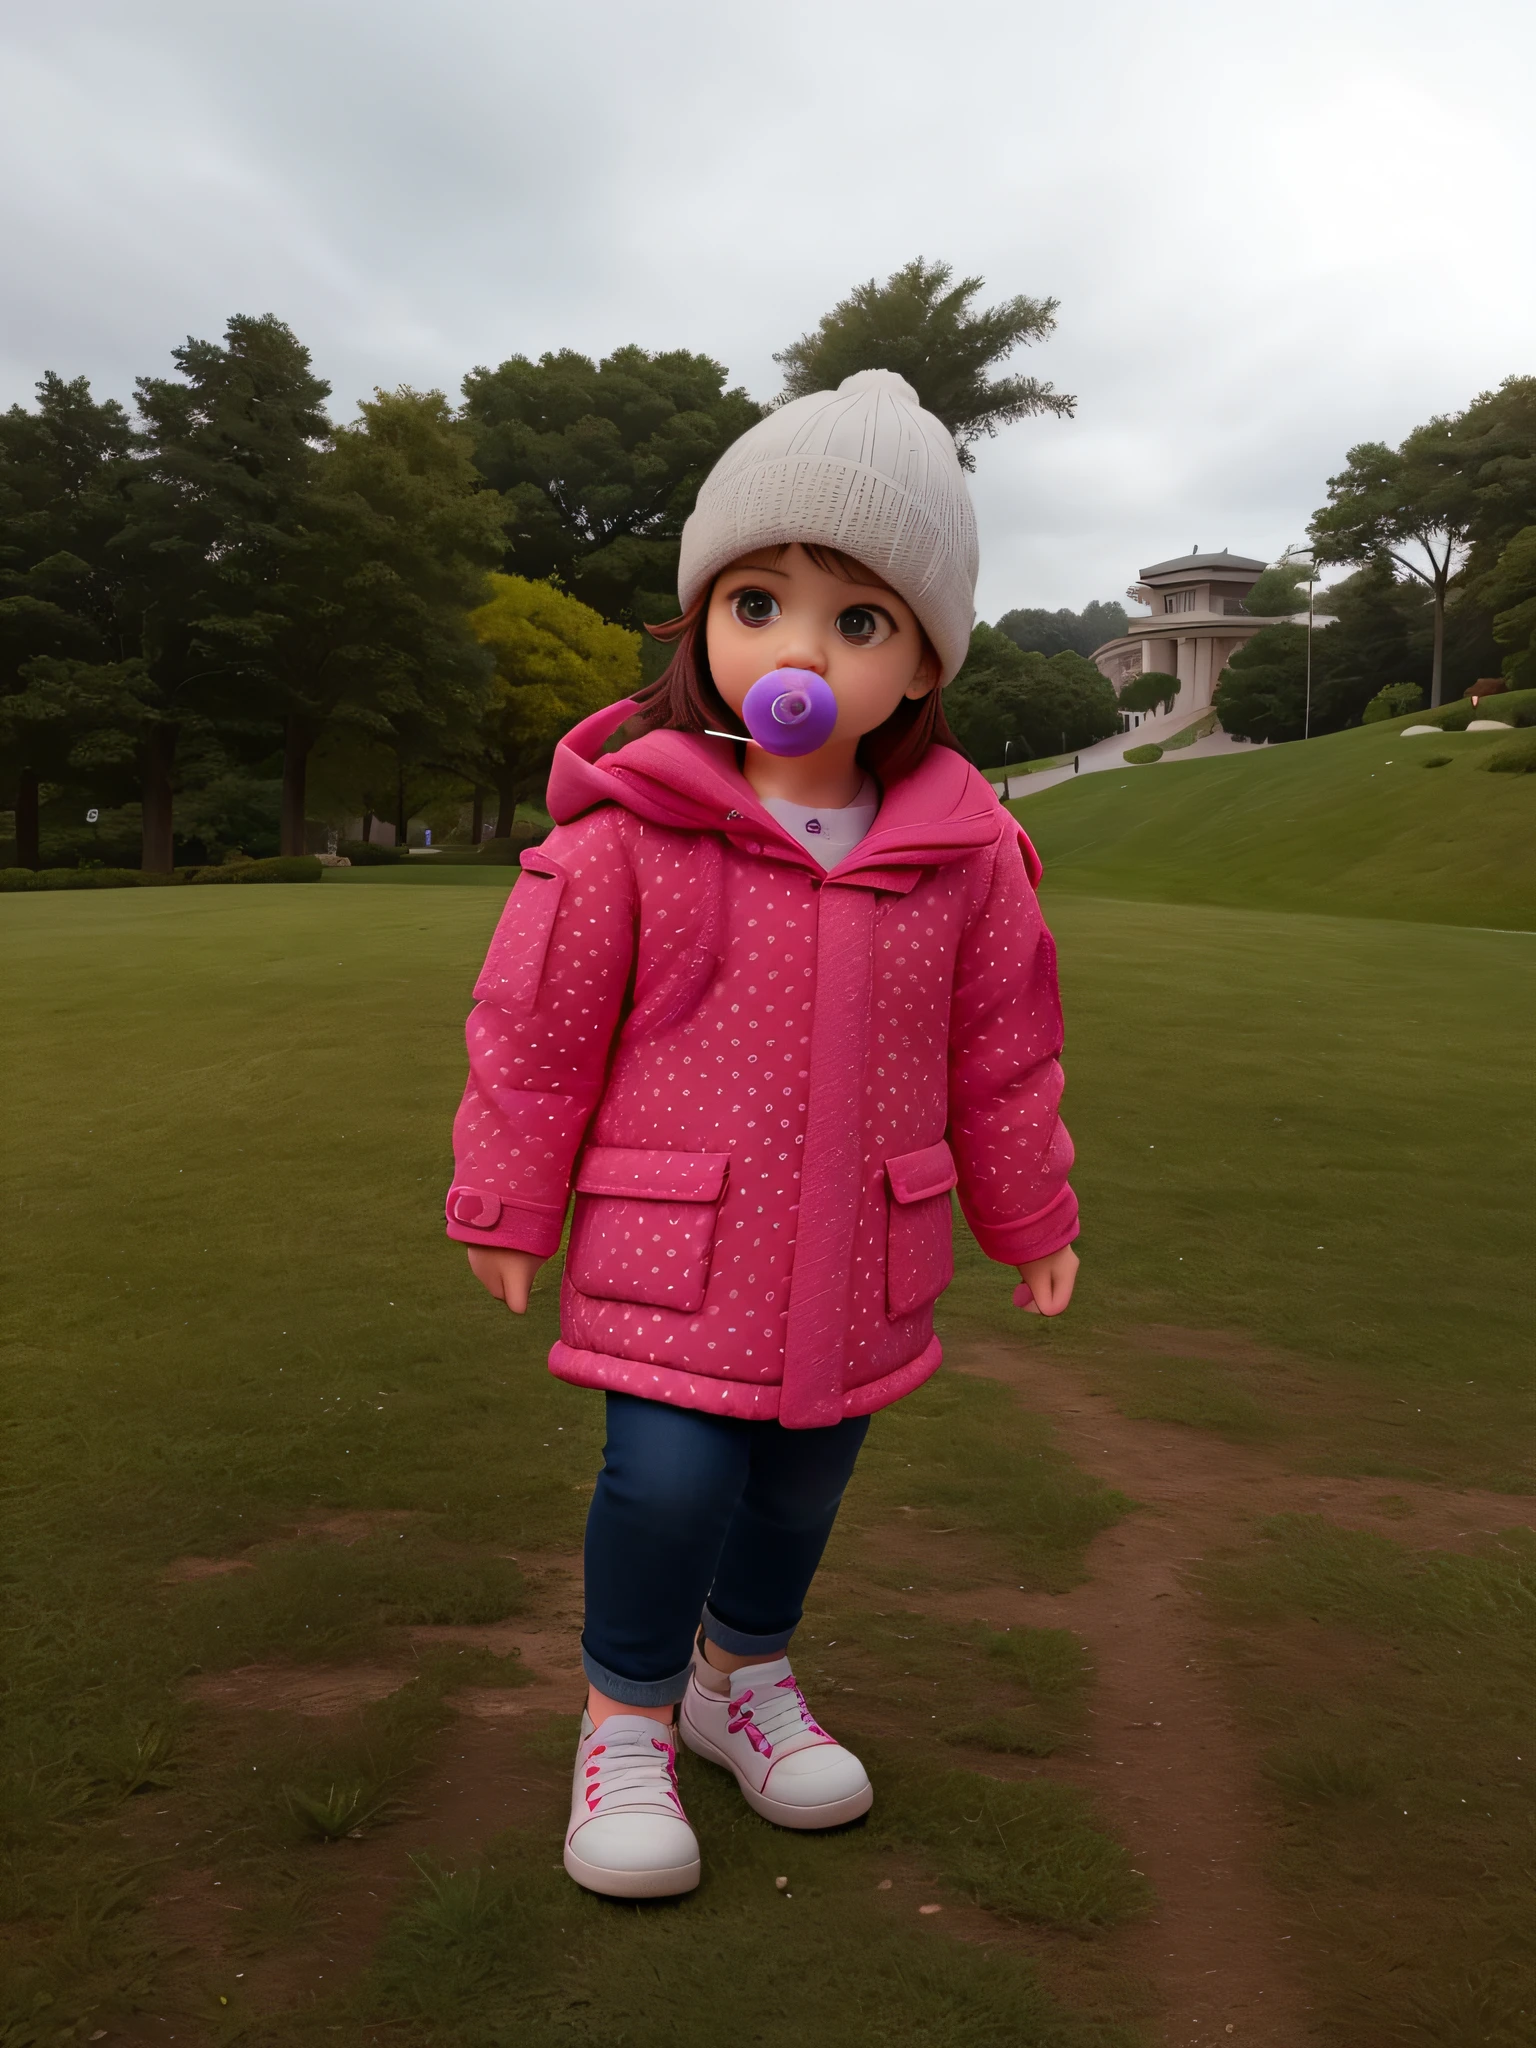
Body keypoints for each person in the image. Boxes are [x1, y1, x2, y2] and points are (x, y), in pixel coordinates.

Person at [445, 370, 1080, 1899]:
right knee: (664, 1484)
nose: (798, 651)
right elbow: (534, 1038)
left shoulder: (969, 858)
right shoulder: (626, 834)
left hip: (864, 1256)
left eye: (857, 621)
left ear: (923, 659)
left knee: (803, 1488)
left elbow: (1006, 1051)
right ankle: (626, 1716)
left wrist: (1033, 1216)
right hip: (676, 1251)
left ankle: (744, 1680)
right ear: (700, 620)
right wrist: (506, 1204)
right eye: (758, 601)